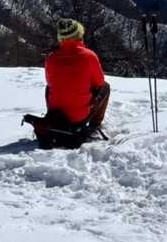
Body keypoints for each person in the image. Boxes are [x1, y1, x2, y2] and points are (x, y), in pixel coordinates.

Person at [22, 18, 111, 148]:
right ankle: (95, 125)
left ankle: (54, 117)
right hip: (78, 118)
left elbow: (51, 83)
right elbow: (99, 83)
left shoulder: (51, 57)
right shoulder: (89, 56)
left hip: (57, 115)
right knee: (105, 87)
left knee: (49, 88)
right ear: (79, 34)